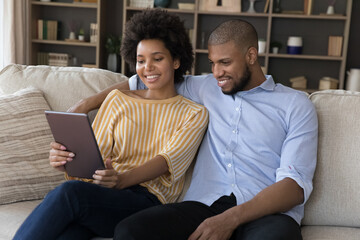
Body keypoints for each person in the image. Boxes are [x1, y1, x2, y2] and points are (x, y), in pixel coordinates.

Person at [69, 19, 318, 239]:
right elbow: (145, 79)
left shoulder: (294, 104)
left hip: (266, 214)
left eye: (225, 62)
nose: (217, 73)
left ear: (251, 56)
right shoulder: (206, 86)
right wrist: (86, 104)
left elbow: (294, 187)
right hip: (203, 206)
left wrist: (230, 219)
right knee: (130, 231)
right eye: (212, 63)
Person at [13, 9, 208, 240]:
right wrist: (66, 162)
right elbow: (95, 158)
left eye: (158, 59)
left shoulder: (194, 113)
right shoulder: (117, 99)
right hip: (102, 195)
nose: (148, 68)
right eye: (140, 60)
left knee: (68, 194)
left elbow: (166, 162)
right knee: (69, 234)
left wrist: (122, 179)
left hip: (146, 202)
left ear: (176, 60)